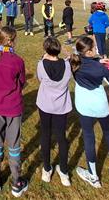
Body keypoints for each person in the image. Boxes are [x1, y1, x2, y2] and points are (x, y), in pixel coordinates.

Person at [70, 36, 109, 188]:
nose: (97, 50)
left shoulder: (73, 62)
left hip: (83, 105)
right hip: (100, 105)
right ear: (89, 52)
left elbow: (86, 63)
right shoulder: (100, 68)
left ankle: (93, 176)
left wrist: (98, 61)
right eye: (95, 48)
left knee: (88, 137)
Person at [0, 27, 28, 197]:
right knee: (14, 143)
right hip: (13, 107)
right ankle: (15, 181)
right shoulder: (17, 61)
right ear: (11, 41)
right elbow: (22, 82)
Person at [36, 37, 72, 186]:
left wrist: (44, 59)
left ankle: (47, 169)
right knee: (61, 137)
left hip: (45, 105)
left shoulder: (41, 65)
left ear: (46, 50)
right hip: (61, 107)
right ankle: (64, 172)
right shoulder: (67, 65)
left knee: (46, 134)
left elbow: (40, 80)